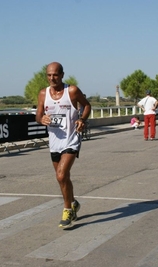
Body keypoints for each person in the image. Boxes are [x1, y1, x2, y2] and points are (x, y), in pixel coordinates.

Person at [35, 62, 91, 228]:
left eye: (56, 75)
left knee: (61, 175)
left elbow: (87, 105)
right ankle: (73, 203)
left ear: (62, 75)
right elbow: (38, 115)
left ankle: (67, 209)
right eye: (49, 75)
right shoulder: (43, 93)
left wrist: (82, 119)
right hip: (54, 142)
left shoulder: (72, 91)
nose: (52, 78)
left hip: (71, 139)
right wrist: (41, 119)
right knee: (63, 178)